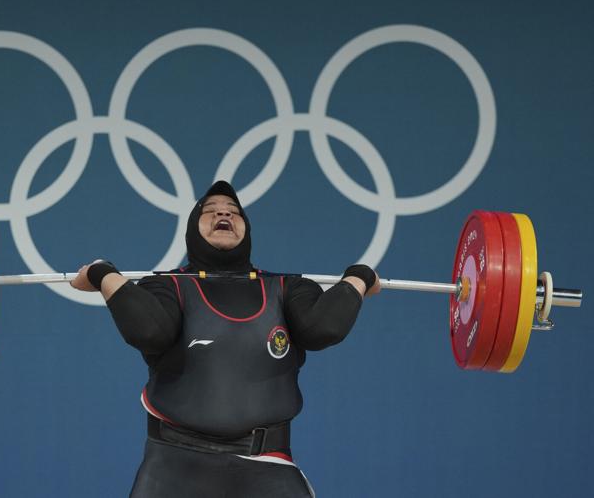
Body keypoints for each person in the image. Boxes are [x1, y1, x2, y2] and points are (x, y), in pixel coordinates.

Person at [71, 181, 380, 497]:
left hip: (267, 465)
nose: (223, 213)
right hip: (173, 467)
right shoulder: (167, 286)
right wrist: (103, 273)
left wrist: (360, 275)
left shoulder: (287, 288)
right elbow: (148, 331)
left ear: (247, 229)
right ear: (192, 227)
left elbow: (324, 328)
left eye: (234, 212)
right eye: (211, 211)